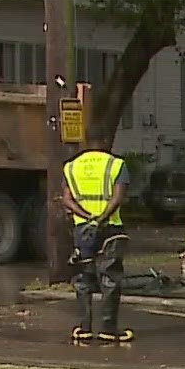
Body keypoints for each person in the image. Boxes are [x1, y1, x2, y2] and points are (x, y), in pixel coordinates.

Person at [61, 144, 133, 344]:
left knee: (83, 277)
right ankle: (108, 329)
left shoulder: (71, 167)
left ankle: (84, 328)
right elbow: (118, 197)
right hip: (110, 228)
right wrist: (101, 219)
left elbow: (67, 200)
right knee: (110, 276)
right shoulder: (116, 164)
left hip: (82, 229)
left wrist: (87, 218)